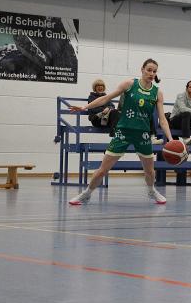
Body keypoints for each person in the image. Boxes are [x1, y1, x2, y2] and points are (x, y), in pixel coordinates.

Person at [67, 59, 172, 205]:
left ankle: (151, 190)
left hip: (143, 134)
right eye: (149, 70)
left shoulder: (157, 93)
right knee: (103, 170)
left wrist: (171, 139)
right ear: (142, 69)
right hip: (123, 131)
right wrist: (85, 107)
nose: (151, 73)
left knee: (150, 171)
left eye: (154, 71)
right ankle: (87, 193)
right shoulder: (129, 84)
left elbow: (162, 119)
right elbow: (106, 98)